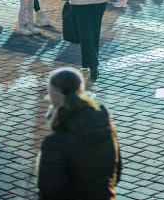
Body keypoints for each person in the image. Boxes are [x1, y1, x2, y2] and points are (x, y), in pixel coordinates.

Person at [37, 67, 121, 200]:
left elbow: (49, 192)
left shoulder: (55, 143)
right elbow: (117, 174)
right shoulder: (106, 127)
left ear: (53, 97)